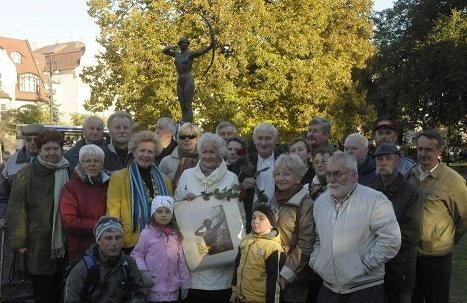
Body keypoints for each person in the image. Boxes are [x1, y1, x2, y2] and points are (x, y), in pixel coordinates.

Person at [309, 152, 401, 303]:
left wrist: (364, 267)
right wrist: (316, 262)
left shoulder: (375, 200)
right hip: (329, 287)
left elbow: (391, 240)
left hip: (365, 289)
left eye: (338, 174)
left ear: (354, 175)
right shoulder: (320, 202)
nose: (331, 179)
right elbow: (319, 239)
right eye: (329, 174)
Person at [174, 133, 241, 303]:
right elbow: (176, 207)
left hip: (222, 258)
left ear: (219, 154)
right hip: (194, 255)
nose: (208, 156)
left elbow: (236, 214)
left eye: (212, 152)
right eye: (204, 152)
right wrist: (184, 199)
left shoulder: (231, 178)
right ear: (199, 153)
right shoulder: (187, 175)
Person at [7, 129, 70, 303]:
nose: (51, 153)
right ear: (40, 150)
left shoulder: (68, 171)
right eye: (47, 149)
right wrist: (20, 241)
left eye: (55, 149)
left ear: (61, 150)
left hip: (62, 242)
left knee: (59, 286)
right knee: (41, 289)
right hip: (37, 242)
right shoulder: (26, 173)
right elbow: (16, 208)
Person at [408, 129, 467, 303]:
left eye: (428, 150)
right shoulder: (410, 175)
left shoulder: (453, 180)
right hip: (412, 255)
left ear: (439, 151)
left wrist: (446, 239)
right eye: (420, 149)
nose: (423, 154)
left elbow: (464, 217)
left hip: (437, 258)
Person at [107, 131, 172, 253]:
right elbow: (113, 213)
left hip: (160, 240)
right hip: (131, 242)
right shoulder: (118, 177)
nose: (146, 155)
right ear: (134, 152)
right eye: (142, 150)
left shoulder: (165, 180)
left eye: (150, 151)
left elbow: (170, 209)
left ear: (155, 155)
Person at [374, 143, 423, 303]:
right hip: (374, 267)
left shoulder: (411, 191)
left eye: (388, 158)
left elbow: (412, 233)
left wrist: (380, 249)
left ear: (398, 161)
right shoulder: (370, 190)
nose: (383, 162)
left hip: (400, 267)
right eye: (379, 159)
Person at [64, 216, 146, 303]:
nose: (114, 243)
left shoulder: (129, 264)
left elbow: (139, 292)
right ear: (98, 240)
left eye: (118, 238)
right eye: (108, 238)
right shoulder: (83, 268)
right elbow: (71, 298)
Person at [0, 123, 45, 281]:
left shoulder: (52, 159)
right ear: (24, 141)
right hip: (17, 222)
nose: (32, 142)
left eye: (36, 139)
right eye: (28, 139)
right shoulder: (11, 163)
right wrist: (2, 216)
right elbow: (2, 195)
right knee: (17, 264)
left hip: (42, 224)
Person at [270, 154, 317, 303]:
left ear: (298, 177)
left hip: (294, 277)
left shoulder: (305, 203)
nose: (280, 178)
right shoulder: (274, 198)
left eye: (286, 174)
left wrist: (286, 274)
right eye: (277, 174)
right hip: (272, 270)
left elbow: (306, 243)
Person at [131, 195, 190, 303]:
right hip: (153, 291)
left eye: (167, 212)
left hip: (173, 292)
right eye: (159, 211)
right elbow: (136, 254)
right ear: (153, 213)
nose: (164, 215)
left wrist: (185, 283)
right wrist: (144, 271)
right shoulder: (147, 234)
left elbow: (181, 261)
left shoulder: (175, 235)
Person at [60, 145, 110, 261]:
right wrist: (100, 226)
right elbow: (69, 221)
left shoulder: (109, 184)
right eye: (87, 161)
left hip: (107, 246)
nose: (92, 164)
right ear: (81, 163)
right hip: (80, 248)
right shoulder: (71, 187)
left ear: (102, 164)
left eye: (96, 161)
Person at [231, 203, 285, 303]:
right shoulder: (246, 240)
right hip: (240, 298)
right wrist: (234, 291)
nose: (255, 221)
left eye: (261, 219)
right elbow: (237, 266)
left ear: (271, 223)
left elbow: (274, 282)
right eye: (253, 218)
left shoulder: (273, 248)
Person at [234, 122, 280, 232]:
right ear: (254, 140)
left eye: (268, 138)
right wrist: (242, 186)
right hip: (251, 219)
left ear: (275, 140)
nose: (263, 143)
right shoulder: (242, 162)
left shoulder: (283, 161)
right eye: (259, 138)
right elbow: (234, 191)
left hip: (278, 218)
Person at [162, 34, 215, 122]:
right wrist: (172, 46)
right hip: (180, 80)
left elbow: (201, 51)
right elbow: (164, 51)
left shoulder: (190, 54)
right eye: (182, 42)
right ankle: (184, 123)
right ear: (179, 44)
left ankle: (188, 125)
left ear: (187, 45)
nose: (184, 44)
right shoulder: (176, 55)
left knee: (187, 105)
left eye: (186, 43)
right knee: (182, 104)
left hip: (188, 79)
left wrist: (210, 47)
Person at [158, 122, 202, 188]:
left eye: (191, 136)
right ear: (178, 139)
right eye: (183, 137)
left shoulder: (204, 160)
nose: (187, 139)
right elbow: (159, 184)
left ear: (197, 139)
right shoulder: (166, 161)